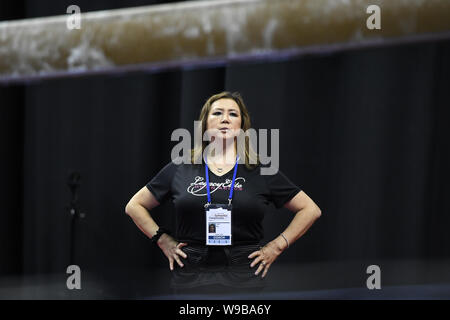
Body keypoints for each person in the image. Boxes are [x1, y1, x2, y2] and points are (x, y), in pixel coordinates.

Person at [125, 91, 321, 295]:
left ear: (242, 126)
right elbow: (134, 206)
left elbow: (310, 209)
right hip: (191, 276)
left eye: (233, 114)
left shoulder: (260, 169)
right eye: (217, 113)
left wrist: (276, 246)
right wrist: (163, 240)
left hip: (244, 276)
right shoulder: (182, 167)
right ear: (205, 124)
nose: (225, 119)